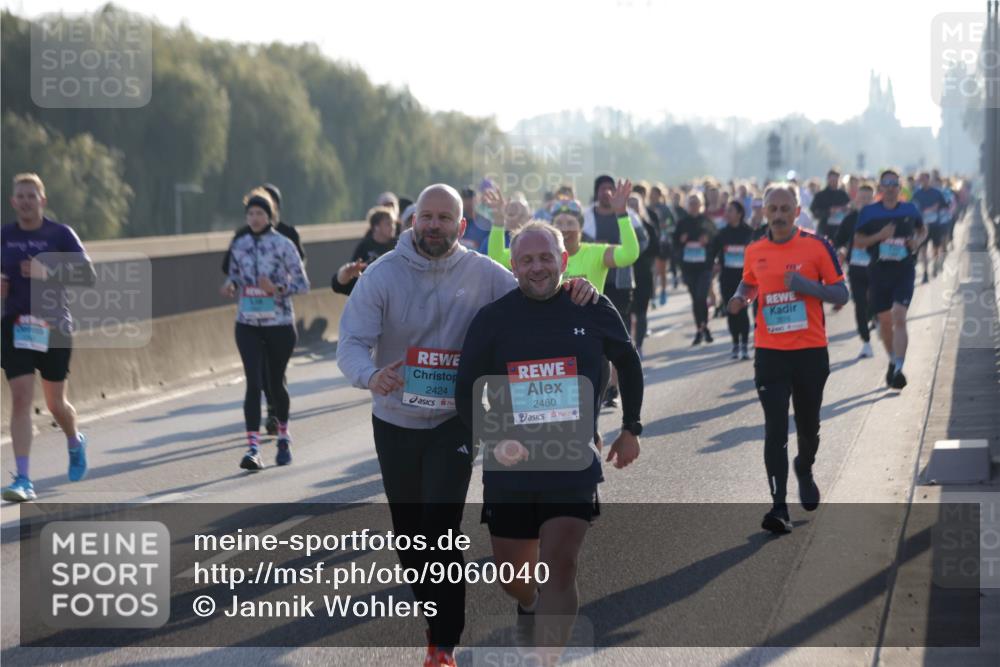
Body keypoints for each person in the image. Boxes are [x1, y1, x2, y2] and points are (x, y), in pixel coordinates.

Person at [336, 184, 598, 667]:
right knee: (410, 540)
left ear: (461, 226)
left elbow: (538, 286)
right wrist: (371, 375)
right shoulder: (382, 275)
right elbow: (350, 341)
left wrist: (582, 289)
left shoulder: (483, 273)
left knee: (440, 528)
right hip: (395, 419)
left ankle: (442, 644)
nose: (433, 225)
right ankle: (440, 621)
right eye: (426, 217)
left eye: (444, 218)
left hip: (455, 421)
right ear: (413, 222)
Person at [456, 221, 642, 664]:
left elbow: (628, 362)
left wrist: (631, 428)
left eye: (546, 258)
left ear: (563, 260)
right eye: (526, 260)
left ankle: (546, 658)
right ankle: (529, 604)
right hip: (511, 465)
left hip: (571, 460)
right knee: (512, 576)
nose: (537, 267)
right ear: (514, 265)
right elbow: (465, 389)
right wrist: (492, 440)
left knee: (561, 564)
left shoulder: (591, 308)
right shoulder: (494, 318)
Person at [728, 183, 849, 533]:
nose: (779, 215)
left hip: (810, 351)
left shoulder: (816, 245)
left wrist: (806, 285)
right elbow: (749, 283)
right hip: (770, 353)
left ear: (797, 212)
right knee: (775, 427)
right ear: (764, 212)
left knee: (808, 425)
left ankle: (805, 466)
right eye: (773, 209)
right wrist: (740, 299)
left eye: (785, 209)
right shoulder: (755, 250)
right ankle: (778, 506)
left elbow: (841, 291)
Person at [1, 173, 96, 502]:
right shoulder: (4, 236)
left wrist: (48, 272)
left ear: (42, 200)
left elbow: (87, 275)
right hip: (15, 325)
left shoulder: (60, 234)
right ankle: (24, 478)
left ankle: (74, 440)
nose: (26, 201)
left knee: (56, 404)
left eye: (32, 196)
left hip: (54, 325)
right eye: (20, 196)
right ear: (13, 202)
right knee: (22, 399)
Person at [221, 187, 309, 470]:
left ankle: (283, 437)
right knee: (253, 384)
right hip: (247, 323)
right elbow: (233, 274)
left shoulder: (283, 244)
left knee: (275, 382)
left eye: (260, 213)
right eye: (250, 213)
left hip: (279, 324)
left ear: (270, 216)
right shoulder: (240, 244)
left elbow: (303, 284)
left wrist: (278, 288)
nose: (255, 218)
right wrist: (231, 285)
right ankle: (253, 449)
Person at [854, 169, 926, 390]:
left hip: (904, 270)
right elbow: (858, 241)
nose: (891, 187)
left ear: (899, 187)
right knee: (885, 322)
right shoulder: (868, 212)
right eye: (886, 183)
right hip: (878, 272)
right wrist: (879, 236)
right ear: (880, 187)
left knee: (899, 316)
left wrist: (916, 241)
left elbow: (922, 230)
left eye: (895, 183)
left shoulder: (910, 209)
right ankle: (893, 359)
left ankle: (899, 368)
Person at [834, 183, 876, 358]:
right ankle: (866, 342)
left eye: (868, 198)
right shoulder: (850, 219)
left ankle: (872, 317)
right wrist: (842, 250)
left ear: (873, 200)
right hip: (856, 269)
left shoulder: (879, 219)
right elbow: (839, 240)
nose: (865, 201)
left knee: (873, 302)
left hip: (876, 269)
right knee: (859, 304)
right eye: (862, 198)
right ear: (856, 199)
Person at [673, 192, 717, 344]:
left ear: (701, 205)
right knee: (695, 299)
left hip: (704, 267)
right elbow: (674, 245)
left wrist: (708, 241)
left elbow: (716, 242)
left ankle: (703, 327)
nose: (693, 206)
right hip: (688, 267)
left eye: (696, 203)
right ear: (687, 205)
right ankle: (701, 329)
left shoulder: (707, 221)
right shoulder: (682, 223)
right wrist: (681, 241)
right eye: (690, 203)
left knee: (701, 296)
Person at [711, 201, 753, 360]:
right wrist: (714, 264)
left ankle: (744, 344)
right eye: (726, 211)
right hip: (727, 277)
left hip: (745, 279)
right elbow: (713, 252)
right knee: (731, 311)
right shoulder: (722, 233)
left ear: (739, 214)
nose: (726, 214)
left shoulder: (749, 232)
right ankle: (735, 343)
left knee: (742, 311)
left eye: (730, 211)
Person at [331, 206, 398, 296]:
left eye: (393, 223)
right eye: (388, 224)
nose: (393, 227)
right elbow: (352, 275)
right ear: (376, 227)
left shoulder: (398, 245)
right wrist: (345, 275)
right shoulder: (365, 246)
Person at [627, 193, 659, 357]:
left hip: (643, 274)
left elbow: (656, 249)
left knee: (641, 312)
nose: (632, 208)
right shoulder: (621, 226)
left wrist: (639, 250)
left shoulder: (648, 226)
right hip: (624, 274)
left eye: (635, 205)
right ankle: (627, 345)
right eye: (629, 205)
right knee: (626, 312)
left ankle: (638, 345)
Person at [910, 171, 949, 283]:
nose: (923, 181)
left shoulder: (937, 193)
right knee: (923, 249)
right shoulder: (916, 194)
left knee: (935, 248)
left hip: (935, 225)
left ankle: (935, 265)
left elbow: (945, 205)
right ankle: (925, 273)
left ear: (929, 179)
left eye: (925, 179)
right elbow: (913, 207)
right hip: (922, 226)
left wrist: (935, 208)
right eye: (921, 179)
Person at [648, 185, 675, 306]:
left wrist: (665, 225)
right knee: (653, 271)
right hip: (651, 243)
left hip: (663, 243)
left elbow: (672, 223)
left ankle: (663, 291)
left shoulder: (665, 208)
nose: (652, 196)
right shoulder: (647, 208)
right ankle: (653, 295)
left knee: (662, 270)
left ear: (659, 195)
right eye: (651, 194)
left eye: (655, 194)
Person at [810, 169, 851, 241]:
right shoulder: (820, 195)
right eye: (832, 180)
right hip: (824, 229)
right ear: (828, 179)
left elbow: (850, 209)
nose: (834, 182)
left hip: (840, 229)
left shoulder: (843, 195)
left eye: (836, 180)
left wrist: (845, 209)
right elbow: (814, 212)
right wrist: (828, 212)